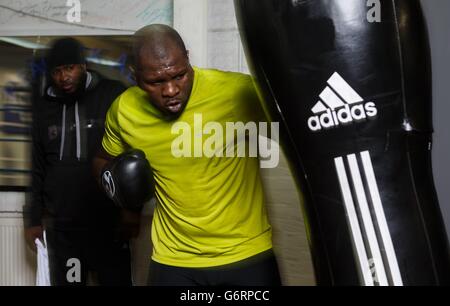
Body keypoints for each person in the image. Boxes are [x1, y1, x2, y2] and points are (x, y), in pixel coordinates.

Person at [93, 24, 281, 286]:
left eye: (179, 75)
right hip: (174, 261)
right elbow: (102, 159)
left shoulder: (238, 92)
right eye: (156, 81)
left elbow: (306, 124)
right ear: (135, 75)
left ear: (188, 60)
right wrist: (119, 191)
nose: (170, 90)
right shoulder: (124, 111)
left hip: (246, 255)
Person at [23, 37, 134, 286]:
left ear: (83, 66)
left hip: (109, 225)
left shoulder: (112, 95)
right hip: (64, 229)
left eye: (70, 68)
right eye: (57, 71)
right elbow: (37, 166)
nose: (64, 77)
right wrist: (32, 220)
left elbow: (131, 156)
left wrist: (131, 211)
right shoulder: (43, 108)